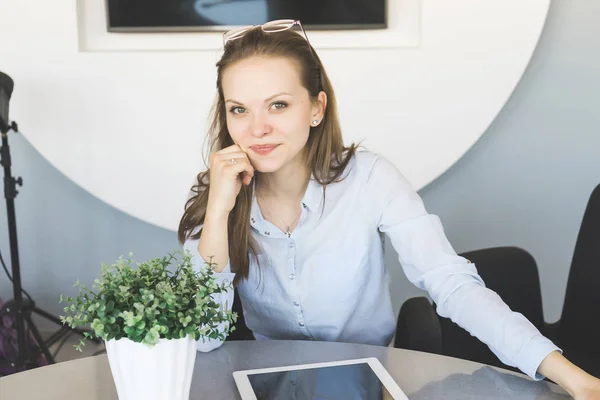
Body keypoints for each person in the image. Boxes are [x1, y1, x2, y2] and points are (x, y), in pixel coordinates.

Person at [178, 19, 600, 399]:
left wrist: (573, 378)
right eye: (239, 110)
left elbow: (453, 286)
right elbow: (205, 335)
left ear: (316, 108)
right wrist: (217, 213)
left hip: (368, 383)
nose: (257, 129)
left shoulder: (370, 179)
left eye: (279, 105)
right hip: (267, 386)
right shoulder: (221, 192)